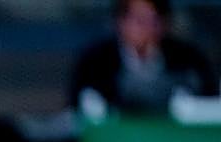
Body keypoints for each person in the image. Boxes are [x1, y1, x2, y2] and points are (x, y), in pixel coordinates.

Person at [71, 0, 217, 116]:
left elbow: (207, 98)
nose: (148, 28)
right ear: (121, 22)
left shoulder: (187, 57)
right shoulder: (95, 61)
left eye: (154, 20)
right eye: (140, 20)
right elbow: (81, 106)